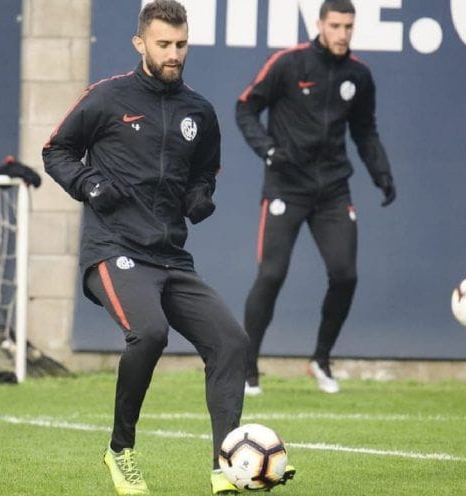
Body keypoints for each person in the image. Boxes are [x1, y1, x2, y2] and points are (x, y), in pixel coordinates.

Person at [43, 2, 292, 494]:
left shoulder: (199, 111)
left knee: (231, 342)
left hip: (170, 256)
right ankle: (120, 451)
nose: (174, 53)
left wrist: (200, 196)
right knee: (150, 333)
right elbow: (56, 150)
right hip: (113, 247)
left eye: (180, 44)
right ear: (140, 44)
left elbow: (205, 170)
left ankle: (227, 467)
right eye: (163, 44)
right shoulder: (107, 97)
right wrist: (90, 184)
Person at [236, 0, 396, 395]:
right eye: (335, 25)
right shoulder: (288, 63)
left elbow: (365, 130)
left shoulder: (359, 74)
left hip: (333, 189)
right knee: (271, 274)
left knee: (345, 275)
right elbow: (245, 108)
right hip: (286, 186)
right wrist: (269, 150)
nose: (342, 34)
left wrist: (381, 172)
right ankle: (247, 367)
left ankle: (320, 360)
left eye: (348, 26)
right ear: (320, 24)